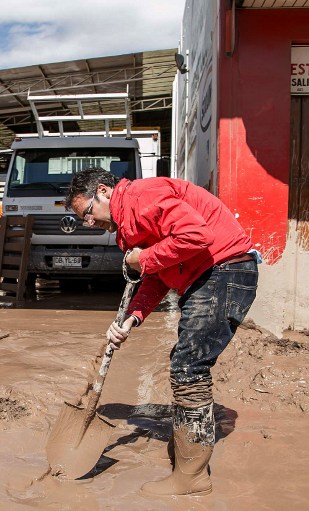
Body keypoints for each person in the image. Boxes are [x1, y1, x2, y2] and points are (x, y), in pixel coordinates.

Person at [64, 167, 259, 497]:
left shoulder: (143, 198)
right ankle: (187, 451)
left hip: (225, 269)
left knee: (188, 367)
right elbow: (156, 276)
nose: (89, 222)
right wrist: (132, 319)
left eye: (87, 212)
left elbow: (197, 236)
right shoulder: (130, 222)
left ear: (103, 191)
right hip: (209, 276)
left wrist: (144, 257)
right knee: (185, 364)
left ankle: (192, 475)